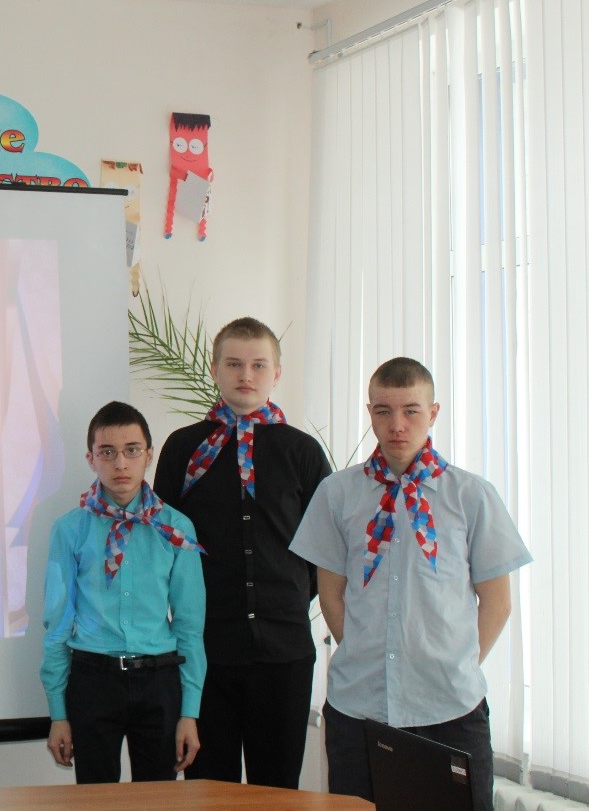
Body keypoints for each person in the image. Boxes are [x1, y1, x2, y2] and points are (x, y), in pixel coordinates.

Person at [290, 357, 531, 811]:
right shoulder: (337, 494)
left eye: (411, 410)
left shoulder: (471, 495)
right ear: (370, 412)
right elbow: (331, 593)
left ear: (433, 413)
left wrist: (452, 664)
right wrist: (363, 649)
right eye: (383, 411)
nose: (397, 425)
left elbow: (497, 603)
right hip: (359, 707)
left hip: (451, 708)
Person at [154, 317, 330, 787]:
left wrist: (290, 596)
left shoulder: (303, 452)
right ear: (215, 370)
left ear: (277, 372)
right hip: (205, 651)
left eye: (258, 365)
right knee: (209, 790)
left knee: (278, 790)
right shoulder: (183, 448)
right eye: (233, 364)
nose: (245, 375)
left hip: (285, 652)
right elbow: (162, 544)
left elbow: (327, 551)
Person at [42, 400, 207, 783]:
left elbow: (189, 626)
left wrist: (190, 712)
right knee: (96, 801)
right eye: (107, 452)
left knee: (157, 800)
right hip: (93, 680)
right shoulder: (70, 529)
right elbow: (56, 625)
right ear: (90, 458)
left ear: (149, 455)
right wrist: (58, 714)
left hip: (159, 681)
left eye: (132, 450)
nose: (120, 464)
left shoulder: (175, 528)